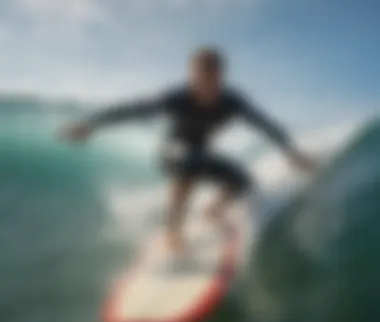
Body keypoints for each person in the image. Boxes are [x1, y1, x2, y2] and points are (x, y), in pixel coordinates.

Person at [62, 47, 315, 254]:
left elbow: (265, 124)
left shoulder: (233, 101)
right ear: (191, 76)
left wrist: (291, 152)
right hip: (172, 151)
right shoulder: (176, 97)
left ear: (220, 77)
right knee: (189, 163)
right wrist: (90, 124)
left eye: (211, 79)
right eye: (198, 78)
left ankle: (212, 211)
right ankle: (172, 231)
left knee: (242, 182)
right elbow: (131, 110)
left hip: (200, 151)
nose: (204, 85)